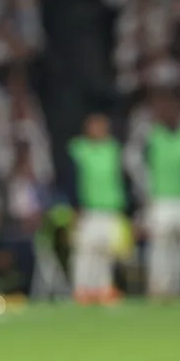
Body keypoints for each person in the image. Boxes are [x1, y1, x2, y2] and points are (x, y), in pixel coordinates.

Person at [124, 91, 180, 299]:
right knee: (159, 244)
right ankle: (157, 288)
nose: (170, 114)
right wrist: (145, 188)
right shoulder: (152, 134)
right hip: (160, 198)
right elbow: (131, 159)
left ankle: (176, 287)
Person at [68, 113, 127, 304]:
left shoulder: (114, 150)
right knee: (85, 251)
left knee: (105, 252)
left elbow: (121, 179)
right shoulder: (78, 150)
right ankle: (82, 288)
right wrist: (74, 206)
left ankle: (103, 288)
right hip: (87, 209)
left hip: (110, 209)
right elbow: (71, 179)